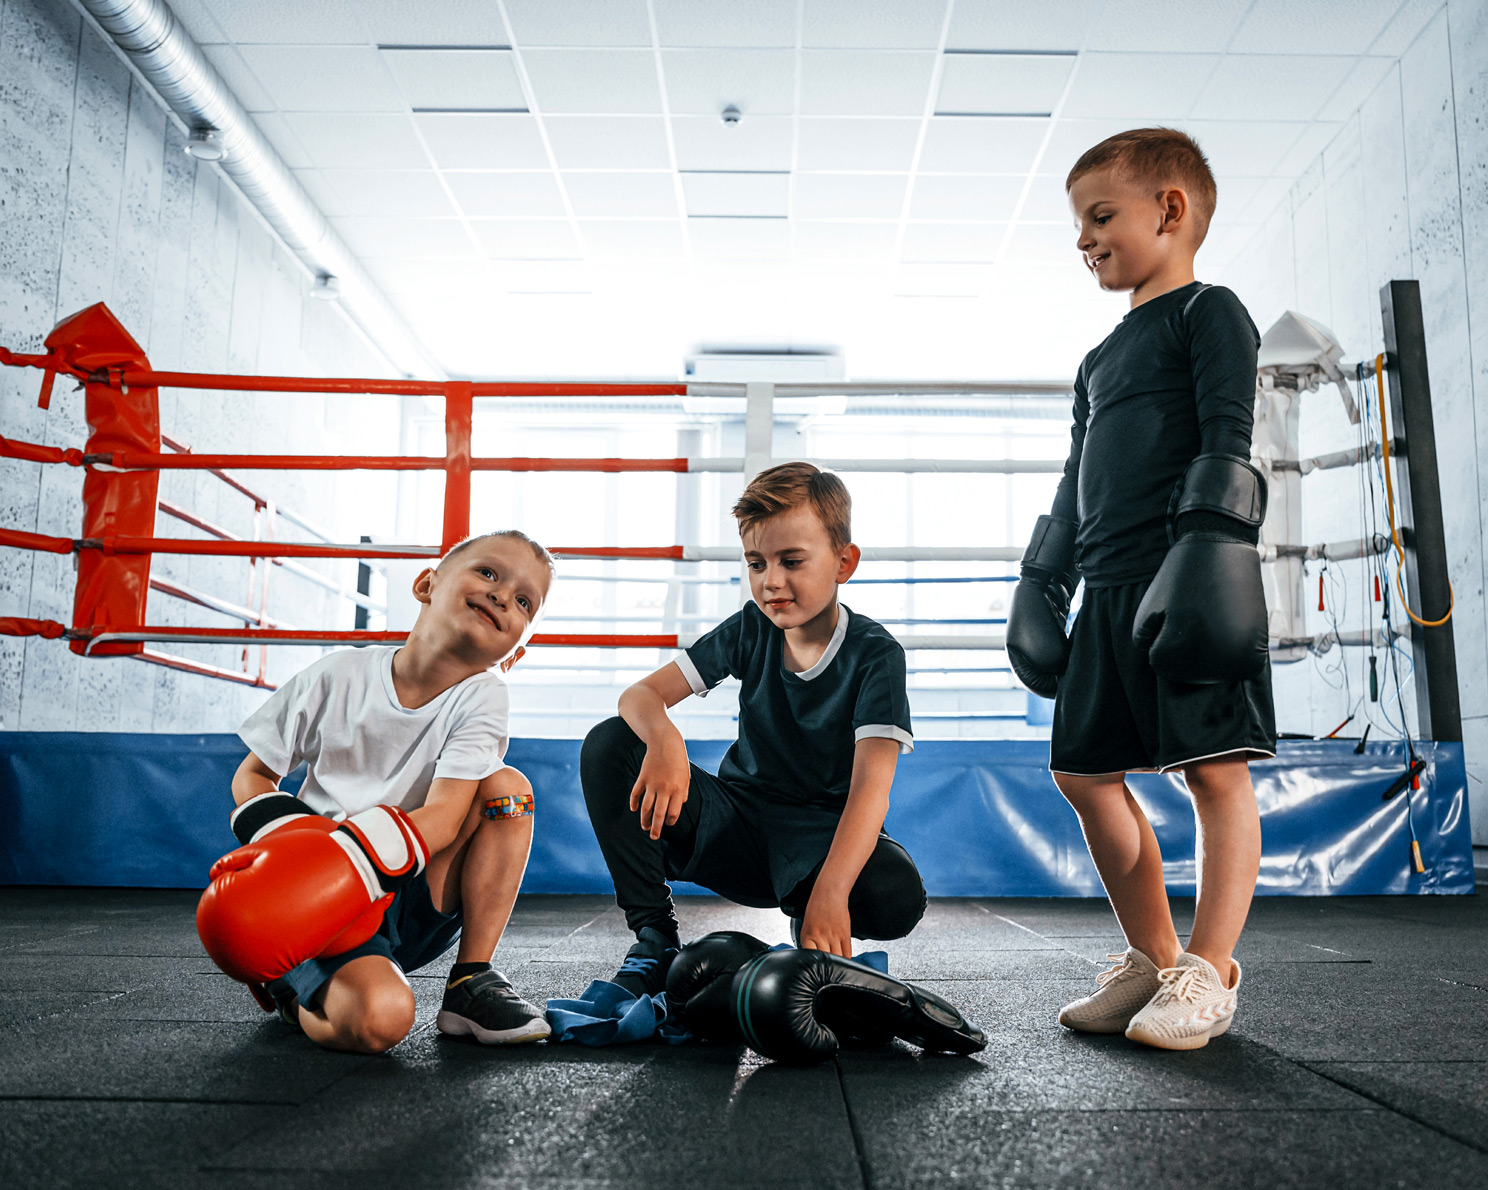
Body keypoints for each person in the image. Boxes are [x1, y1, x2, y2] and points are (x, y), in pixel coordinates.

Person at [1006, 128, 1274, 1050]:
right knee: (1082, 770)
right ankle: (1155, 962)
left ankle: (1210, 969)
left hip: (1187, 577)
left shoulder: (1210, 312)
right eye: (1078, 223)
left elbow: (1227, 433)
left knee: (1212, 771)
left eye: (1101, 215)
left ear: (1171, 209)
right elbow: (1077, 475)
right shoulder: (1097, 360)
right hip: (1106, 592)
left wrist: (1208, 547)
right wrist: (1045, 575)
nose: (1084, 238)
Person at [580, 462, 926, 997]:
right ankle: (654, 937)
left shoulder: (876, 655)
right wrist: (666, 740)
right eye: (756, 562)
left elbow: (870, 793)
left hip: (819, 838)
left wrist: (830, 894)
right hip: (737, 826)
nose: (771, 581)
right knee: (610, 743)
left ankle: (806, 909)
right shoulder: (751, 626)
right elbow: (640, 696)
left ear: (843, 562)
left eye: (792, 561)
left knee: (897, 895)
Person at [226, 530, 554, 1053]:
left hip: (412, 891)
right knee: (382, 1020)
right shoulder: (337, 674)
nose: (500, 595)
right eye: (488, 573)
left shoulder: (483, 695)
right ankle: (293, 993)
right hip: (322, 906)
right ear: (427, 584)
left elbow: (446, 819)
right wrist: (298, 850)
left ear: (514, 651)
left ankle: (471, 978)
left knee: (505, 788)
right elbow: (253, 777)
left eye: (523, 602)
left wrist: (353, 857)